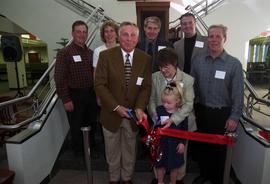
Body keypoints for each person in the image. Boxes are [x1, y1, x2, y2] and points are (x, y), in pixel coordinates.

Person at [94, 21, 152, 184]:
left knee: (129, 149)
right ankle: (114, 178)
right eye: (125, 34)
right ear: (119, 36)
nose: (129, 38)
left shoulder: (145, 59)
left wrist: (140, 107)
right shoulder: (106, 56)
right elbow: (99, 84)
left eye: (133, 35)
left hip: (133, 115)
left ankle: (127, 178)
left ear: (138, 38)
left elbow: (146, 87)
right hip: (111, 113)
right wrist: (116, 107)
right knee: (112, 150)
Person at [190, 24, 244, 184]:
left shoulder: (234, 64)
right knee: (203, 147)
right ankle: (205, 174)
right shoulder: (198, 61)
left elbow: (238, 94)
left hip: (223, 114)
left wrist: (234, 117)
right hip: (202, 111)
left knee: (220, 151)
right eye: (211, 36)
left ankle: (218, 179)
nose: (213, 39)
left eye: (217, 36)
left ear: (224, 39)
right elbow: (192, 87)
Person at [148, 48, 195, 184]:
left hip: (180, 124)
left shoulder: (187, 80)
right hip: (160, 124)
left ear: (175, 65)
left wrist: (173, 119)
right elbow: (151, 99)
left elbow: (189, 104)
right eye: (160, 67)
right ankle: (159, 179)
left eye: (166, 67)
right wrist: (154, 113)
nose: (163, 70)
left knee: (179, 154)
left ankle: (177, 180)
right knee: (159, 152)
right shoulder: (155, 77)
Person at [54, 20, 97, 155]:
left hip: (90, 94)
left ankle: (90, 149)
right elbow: (59, 77)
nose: (82, 34)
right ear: (72, 33)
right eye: (78, 32)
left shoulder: (90, 53)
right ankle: (79, 152)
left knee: (91, 123)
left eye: (84, 32)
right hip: (74, 95)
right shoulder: (64, 52)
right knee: (76, 125)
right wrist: (66, 99)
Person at [155, 81, 188, 184]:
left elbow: (185, 130)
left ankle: (172, 182)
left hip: (175, 145)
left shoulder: (181, 114)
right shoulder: (159, 110)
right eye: (163, 101)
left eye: (168, 103)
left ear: (177, 101)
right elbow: (155, 126)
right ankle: (160, 182)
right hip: (162, 144)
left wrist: (182, 143)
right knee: (160, 164)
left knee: (174, 166)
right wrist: (156, 123)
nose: (165, 105)